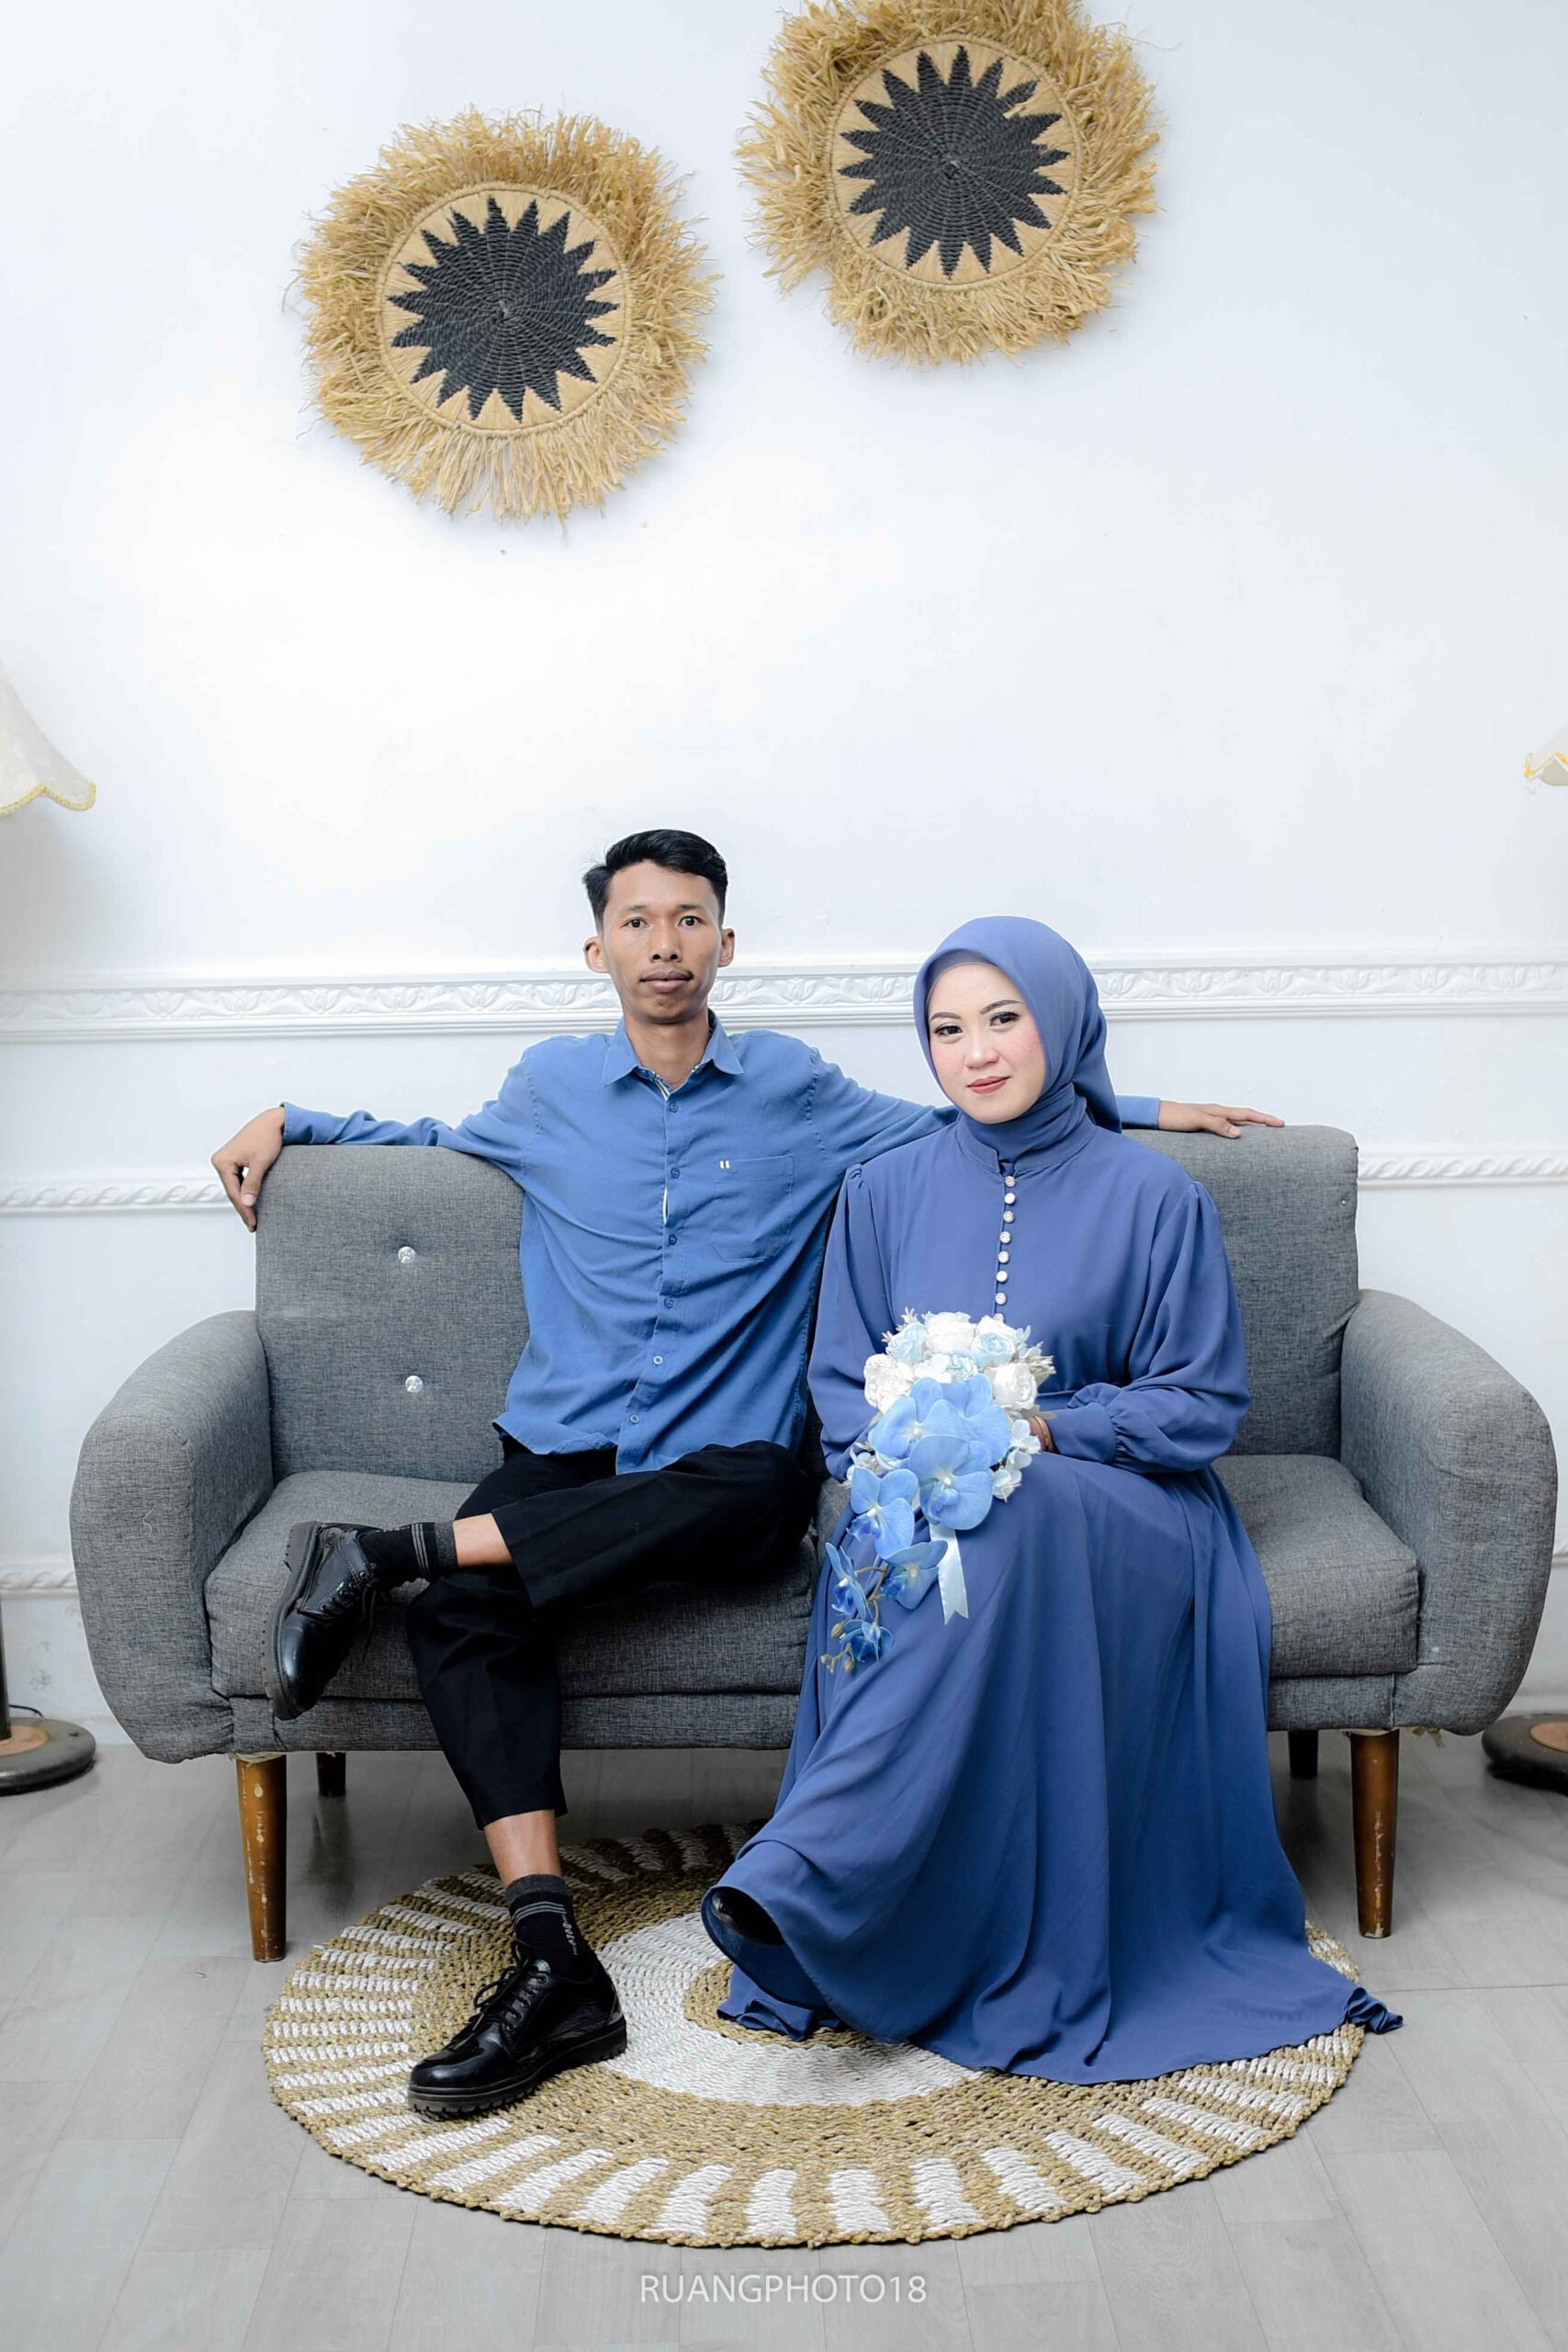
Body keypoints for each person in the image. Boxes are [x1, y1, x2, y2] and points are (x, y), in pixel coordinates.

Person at [210, 835, 1282, 2116]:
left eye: (688, 919)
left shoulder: (799, 1091)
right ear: (596, 948)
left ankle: (388, 1551)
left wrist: (1137, 1105)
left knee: (766, 1488)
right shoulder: (548, 1087)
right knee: (462, 1612)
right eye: (636, 921)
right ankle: (550, 1952)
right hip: (564, 1448)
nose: (663, 944)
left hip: (725, 1461)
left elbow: (977, 1110)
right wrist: (290, 1119)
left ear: (726, 943)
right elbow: (430, 1137)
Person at [699, 916, 1401, 2080]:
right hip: (925, 1502)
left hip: (1125, 1503)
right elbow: (840, 1386)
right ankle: (857, 1887)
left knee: (1007, 1510)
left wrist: (1045, 1429)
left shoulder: (1155, 1196)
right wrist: (909, 1457)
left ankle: (816, 1871)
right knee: (929, 1535)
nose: (974, 1052)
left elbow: (1200, 1405)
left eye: (1003, 1019)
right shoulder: (880, 1191)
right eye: (946, 1029)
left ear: (1063, 1022)